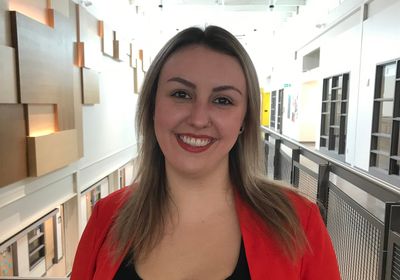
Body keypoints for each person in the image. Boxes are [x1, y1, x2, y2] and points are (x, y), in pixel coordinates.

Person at [71, 25, 340, 280]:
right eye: (181, 94)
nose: (199, 119)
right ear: (153, 107)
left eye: (222, 100)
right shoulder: (105, 219)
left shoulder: (298, 223)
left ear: (244, 120)